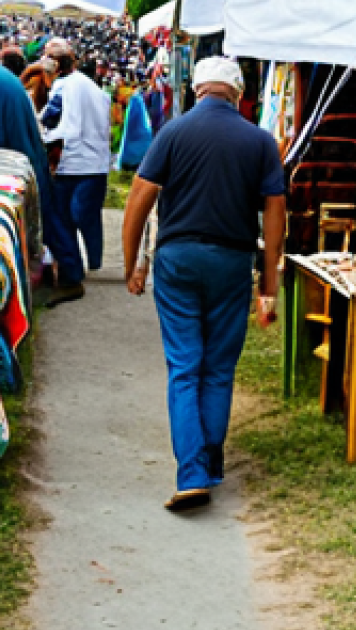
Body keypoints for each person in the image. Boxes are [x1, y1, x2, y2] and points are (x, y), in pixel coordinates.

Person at [122, 56, 286, 513]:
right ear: (238, 94)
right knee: (218, 367)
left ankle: (192, 472)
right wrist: (268, 284)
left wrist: (133, 261)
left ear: (197, 89)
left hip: (177, 260)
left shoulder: (173, 132)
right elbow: (275, 213)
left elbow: (140, 196)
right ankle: (209, 463)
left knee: (184, 366)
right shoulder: (259, 141)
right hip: (231, 260)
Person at [0, 48, 85, 305]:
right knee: (51, 218)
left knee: (49, 221)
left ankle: (70, 279)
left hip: (21, 162)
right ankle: (68, 274)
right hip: (30, 156)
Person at [41, 37, 112, 272]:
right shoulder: (90, 86)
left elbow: (48, 118)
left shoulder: (62, 86)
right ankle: (93, 259)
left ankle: (73, 266)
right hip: (95, 162)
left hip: (71, 160)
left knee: (65, 216)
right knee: (86, 214)